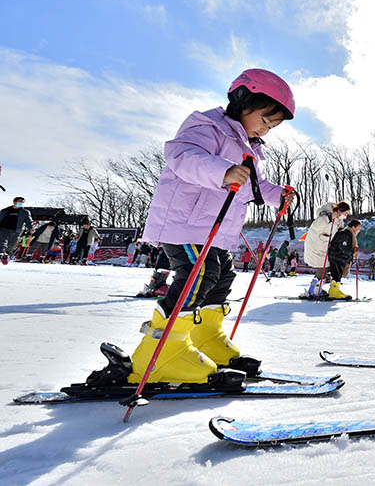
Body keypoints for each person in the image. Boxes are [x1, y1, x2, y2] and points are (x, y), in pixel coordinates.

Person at [123, 68, 297, 385]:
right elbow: (183, 156)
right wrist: (223, 170)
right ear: (244, 101)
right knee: (197, 274)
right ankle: (161, 351)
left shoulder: (249, 148)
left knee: (221, 275)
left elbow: (254, 185)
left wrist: (277, 195)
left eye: (272, 126)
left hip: (214, 231)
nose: (266, 129)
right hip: (185, 223)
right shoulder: (208, 125)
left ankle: (204, 338)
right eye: (265, 119)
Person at [303, 201, 351, 296]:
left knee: (327, 267)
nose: (346, 216)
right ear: (339, 211)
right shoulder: (324, 216)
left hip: (325, 247)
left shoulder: (338, 220)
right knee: (324, 267)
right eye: (345, 213)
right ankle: (313, 290)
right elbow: (316, 226)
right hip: (317, 247)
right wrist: (329, 218)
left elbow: (338, 231)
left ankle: (315, 288)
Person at [325, 219, 361, 299]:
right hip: (336, 257)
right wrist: (352, 252)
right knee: (337, 274)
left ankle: (334, 291)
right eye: (358, 228)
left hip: (340, 258)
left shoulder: (349, 235)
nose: (359, 230)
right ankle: (334, 292)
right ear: (353, 227)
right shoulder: (344, 234)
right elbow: (343, 247)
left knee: (338, 274)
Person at [0, 197, 33, 264]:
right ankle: (1, 254)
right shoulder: (5, 210)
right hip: (3, 229)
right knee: (2, 242)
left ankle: (6, 255)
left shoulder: (25, 212)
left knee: (12, 245)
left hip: (16, 230)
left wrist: (31, 228)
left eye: (22, 202)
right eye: (20, 201)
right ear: (14, 202)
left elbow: (29, 221)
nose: (21, 203)